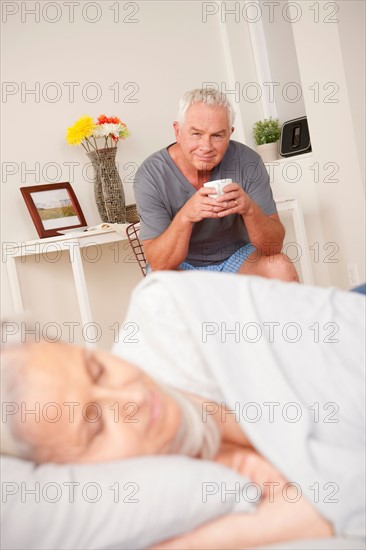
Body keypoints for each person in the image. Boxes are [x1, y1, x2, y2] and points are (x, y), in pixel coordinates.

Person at [1, 272, 364, 549]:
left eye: (98, 369)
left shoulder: (172, 312)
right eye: (95, 425)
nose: (132, 399)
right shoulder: (160, 498)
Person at [134, 88, 299, 281]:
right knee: (159, 285)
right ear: (178, 131)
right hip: (182, 266)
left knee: (280, 266)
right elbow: (159, 263)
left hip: (238, 257)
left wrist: (249, 209)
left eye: (217, 136)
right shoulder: (151, 175)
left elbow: (273, 246)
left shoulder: (248, 162)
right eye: (196, 134)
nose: (206, 147)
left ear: (230, 133)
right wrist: (186, 216)